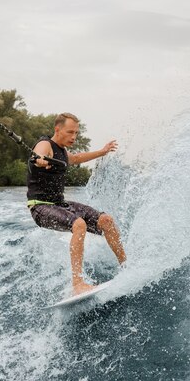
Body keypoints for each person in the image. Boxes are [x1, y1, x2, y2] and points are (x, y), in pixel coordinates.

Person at [27, 112, 126, 295]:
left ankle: (127, 267)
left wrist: (102, 151)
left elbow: (78, 158)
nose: (74, 137)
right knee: (78, 224)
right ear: (58, 129)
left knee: (106, 220)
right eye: (70, 132)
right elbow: (38, 155)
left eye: (76, 133)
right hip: (40, 206)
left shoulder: (63, 151)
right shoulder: (45, 144)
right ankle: (78, 284)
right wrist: (39, 160)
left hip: (59, 204)